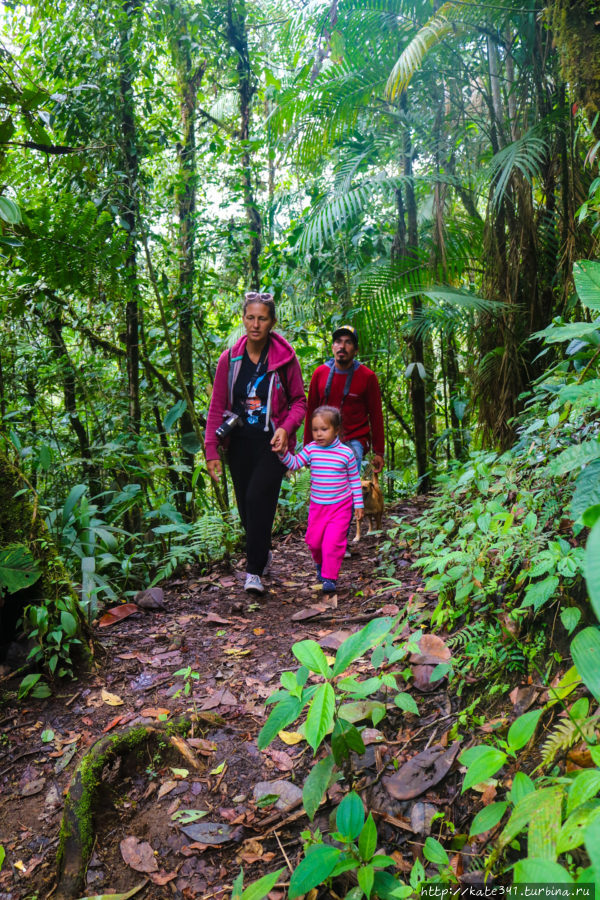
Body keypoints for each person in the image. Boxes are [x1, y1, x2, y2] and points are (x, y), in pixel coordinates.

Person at [205, 292, 306, 595]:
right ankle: (261, 552)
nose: (255, 324)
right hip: (238, 444)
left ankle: (253, 573)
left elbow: (300, 402)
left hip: (272, 444)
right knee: (247, 511)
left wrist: (287, 429)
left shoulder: (285, 359)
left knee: (256, 499)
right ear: (243, 318)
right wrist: (212, 450)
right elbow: (216, 405)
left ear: (272, 322)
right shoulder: (230, 360)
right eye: (250, 317)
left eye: (262, 318)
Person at [277, 405, 363, 593]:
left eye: (324, 429)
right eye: (315, 430)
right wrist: (282, 453)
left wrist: (358, 504)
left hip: (341, 506)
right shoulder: (311, 449)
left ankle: (329, 578)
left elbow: (355, 480)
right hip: (318, 507)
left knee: (332, 543)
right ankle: (320, 564)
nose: (319, 434)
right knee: (314, 542)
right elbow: (295, 463)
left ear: (337, 430)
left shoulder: (346, 454)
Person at [304, 325, 384, 474]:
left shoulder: (367, 377)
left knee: (346, 483)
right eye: (338, 342)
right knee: (325, 482)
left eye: (348, 342)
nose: (342, 346)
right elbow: (311, 412)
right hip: (323, 437)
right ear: (333, 347)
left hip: (354, 439)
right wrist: (307, 447)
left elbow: (376, 415)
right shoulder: (320, 374)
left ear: (356, 349)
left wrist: (379, 452)